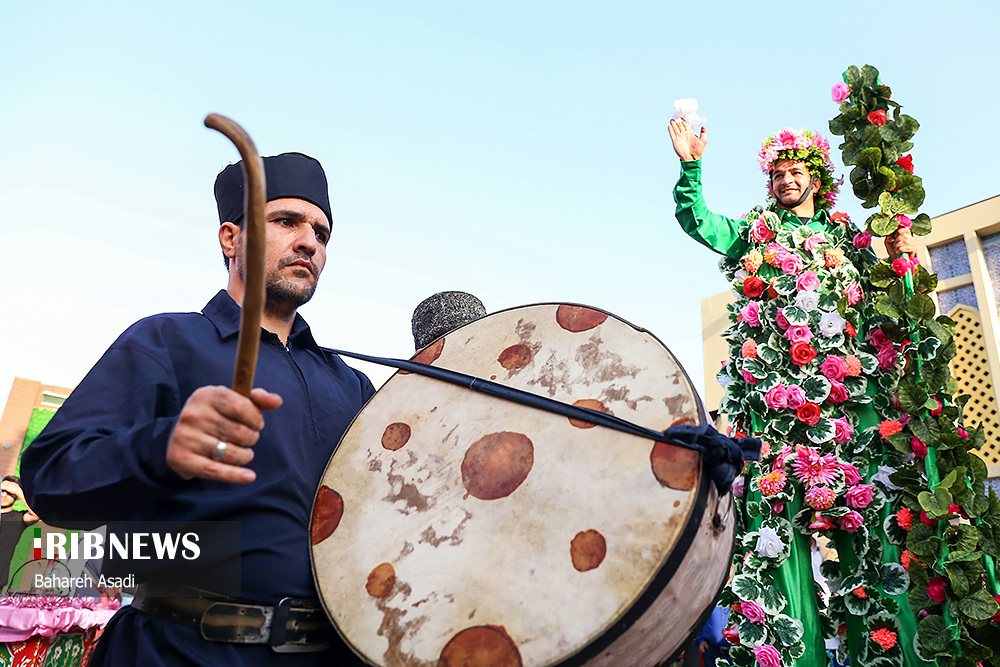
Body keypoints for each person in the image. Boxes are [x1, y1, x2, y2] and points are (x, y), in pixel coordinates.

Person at [21, 152, 376, 666]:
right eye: (285, 221)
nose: (309, 243)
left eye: (321, 234)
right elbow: (51, 477)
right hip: (178, 651)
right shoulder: (166, 341)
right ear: (230, 238)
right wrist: (161, 447)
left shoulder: (352, 384)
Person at [668, 119, 927, 666]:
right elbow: (700, 221)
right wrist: (691, 166)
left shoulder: (848, 240)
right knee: (773, 547)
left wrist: (902, 255)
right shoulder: (756, 234)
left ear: (817, 179)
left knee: (879, 540)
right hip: (779, 417)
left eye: (795, 172)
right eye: (777, 174)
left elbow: (892, 310)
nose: (786, 180)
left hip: (855, 414)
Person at [0, 476, 38, 590]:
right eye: (2, 490)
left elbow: (36, 515)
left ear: (16, 497)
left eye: (9, 492)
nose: (4, 495)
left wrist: (18, 490)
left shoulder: (18, 518)